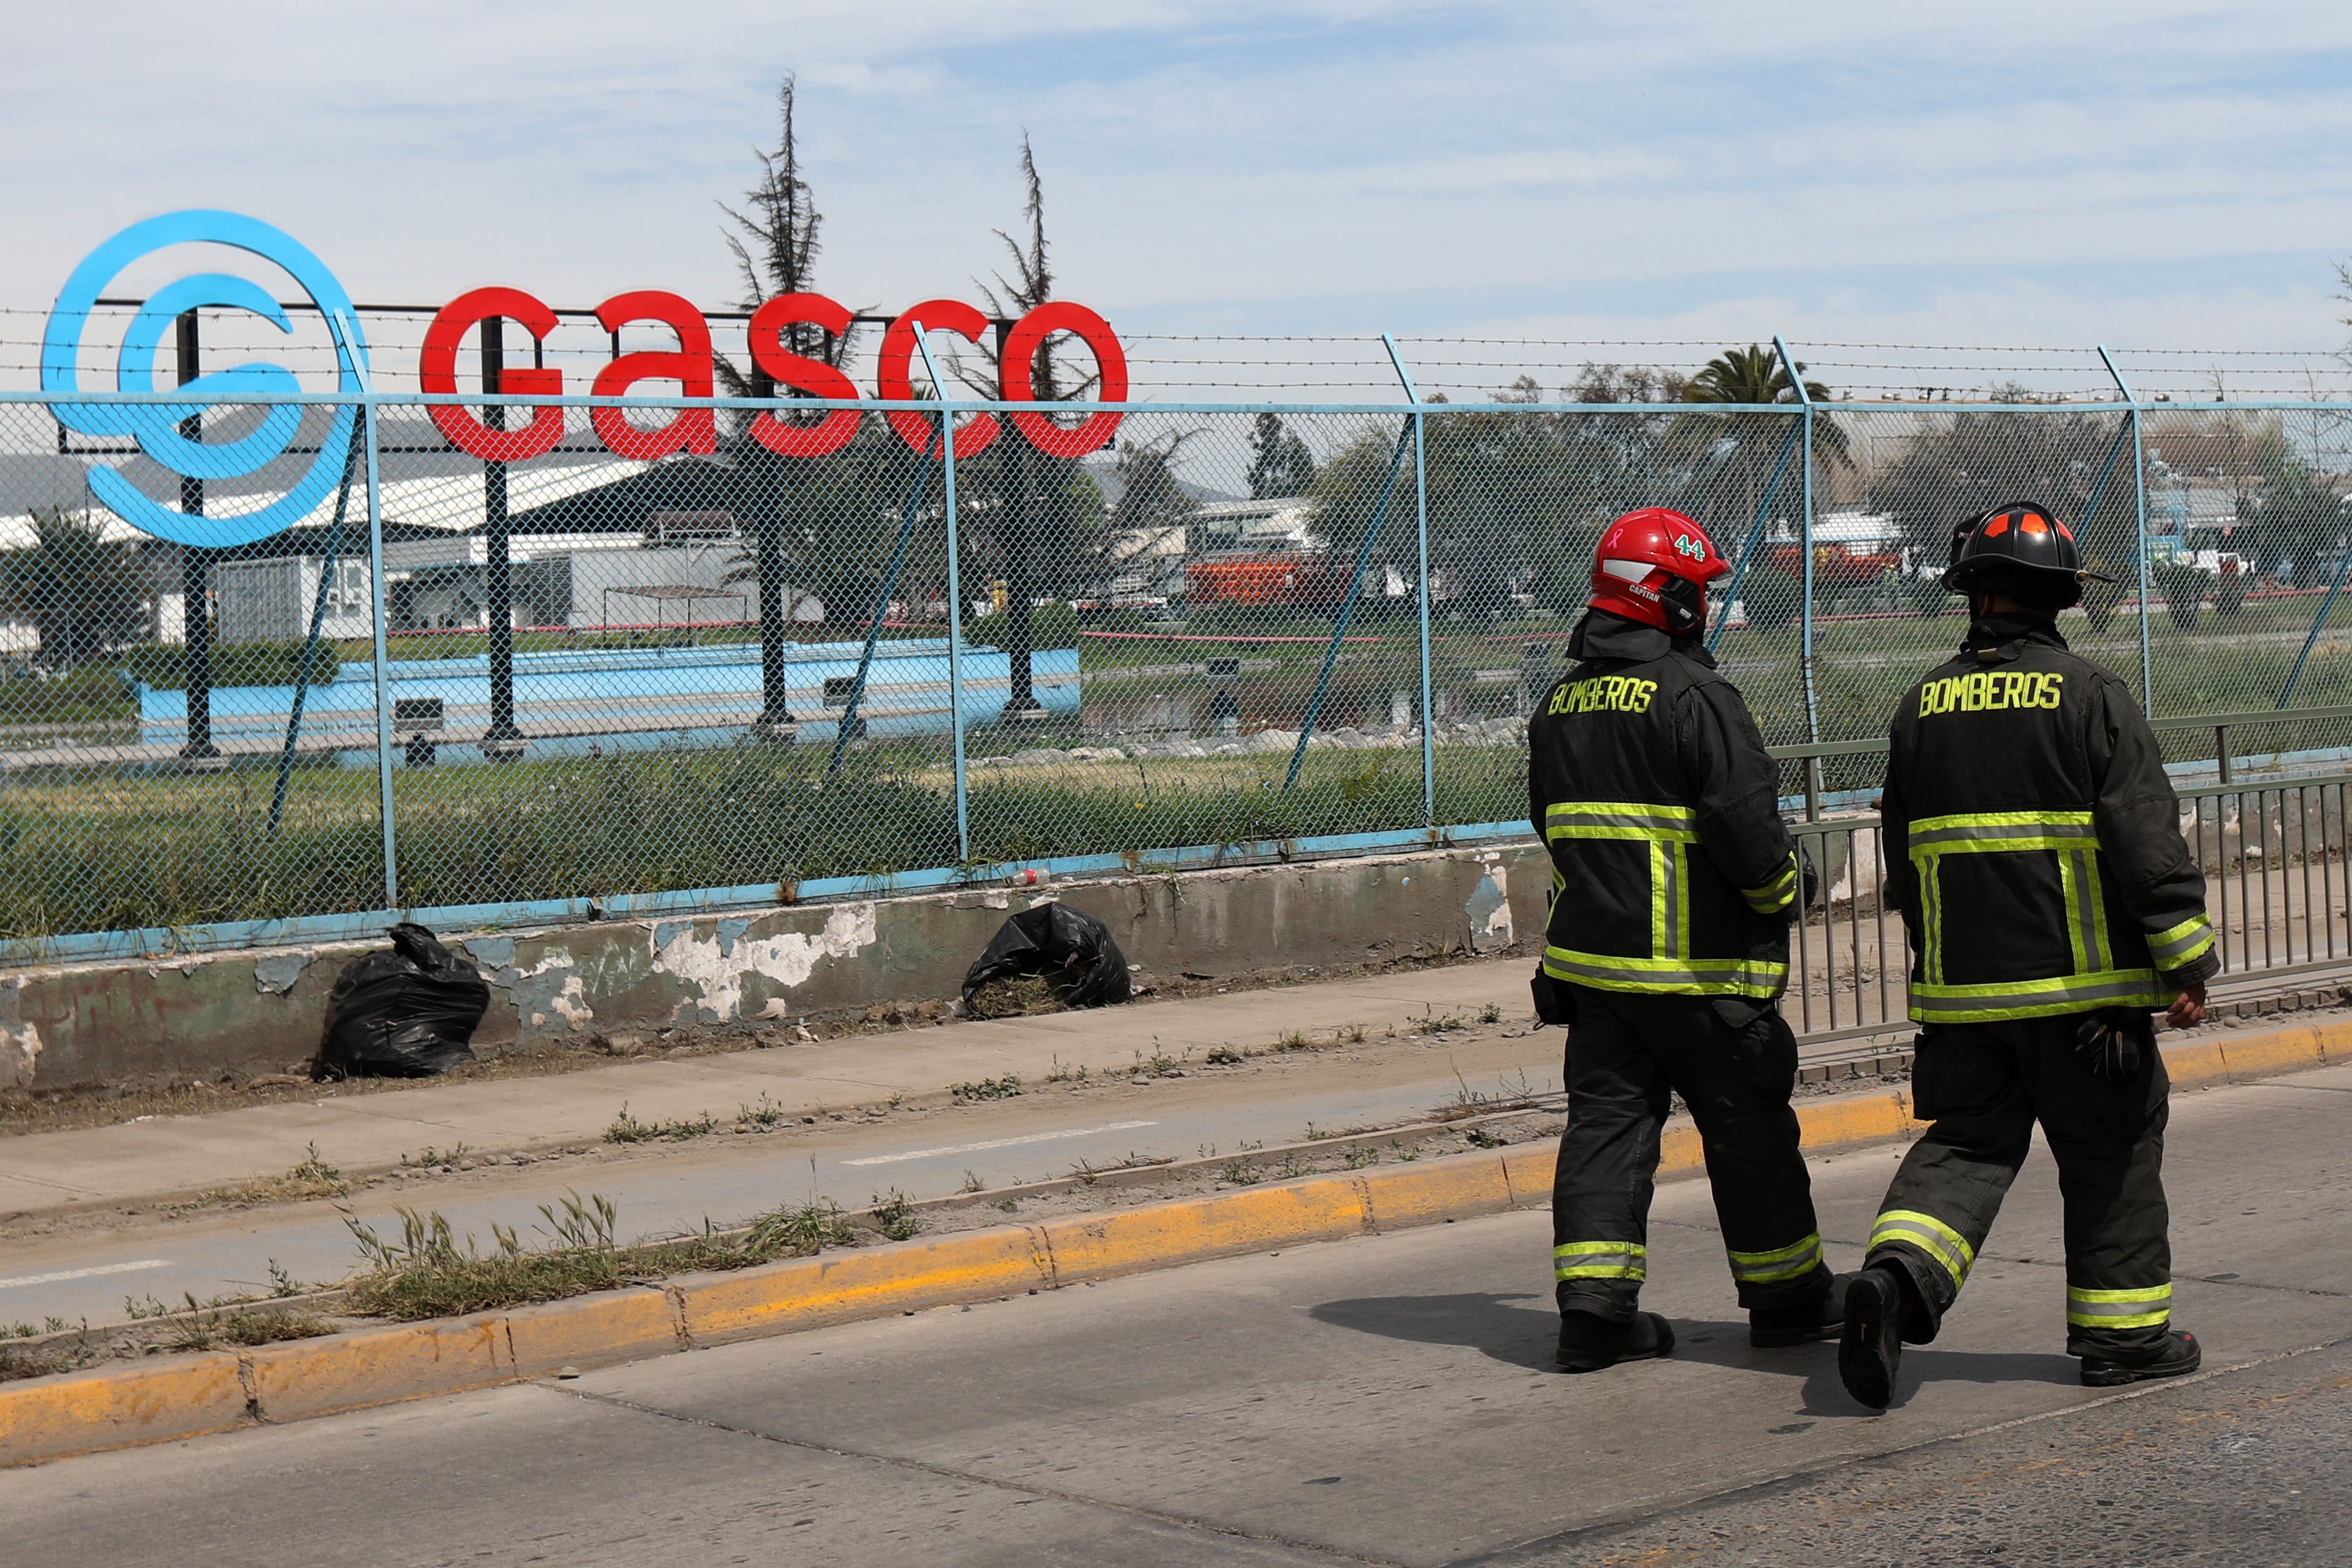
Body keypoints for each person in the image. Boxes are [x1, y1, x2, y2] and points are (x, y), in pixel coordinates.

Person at [1840, 500, 2217, 1409]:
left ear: (1971, 594)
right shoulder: (2090, 697)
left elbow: (1904, 859)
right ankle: (2123, 1339)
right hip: (2085, 1001)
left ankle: (1893, 1283)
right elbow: (2145, 841)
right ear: (2055, 597)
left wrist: (1938, 962)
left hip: (1965, 1003)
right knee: (2113, 1153)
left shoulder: (1920, 706)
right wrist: (2184, 961)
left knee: (1966, 1147)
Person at [1529, 507, 1840, 1373]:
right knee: (1747, 1134)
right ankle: (1789, 1303)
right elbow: (1748, 832)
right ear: (1664, 597)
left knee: (1605, 1133)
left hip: (1598, 977)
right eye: (1698, 592)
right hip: (1703, 979)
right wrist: (1787, 894)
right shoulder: (1695, 696)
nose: (1706, 609)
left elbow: (1555, 830)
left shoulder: (1560, 705)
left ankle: (1592, 1317)